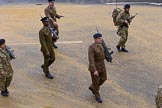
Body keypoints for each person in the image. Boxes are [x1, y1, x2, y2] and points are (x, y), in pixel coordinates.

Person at [88, 33, 107, 103]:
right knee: (96, 82)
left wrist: (108, 58)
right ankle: (97, 96)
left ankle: (93, 87)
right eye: (99, 38)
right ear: (95, 39)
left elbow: (104, 53)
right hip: (95, 66)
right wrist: (94, 70)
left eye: (101, 38)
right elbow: (91, 59)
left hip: (102, 65)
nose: (101, 39)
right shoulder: (91, 47)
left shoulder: (101, 45)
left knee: (104, 78)